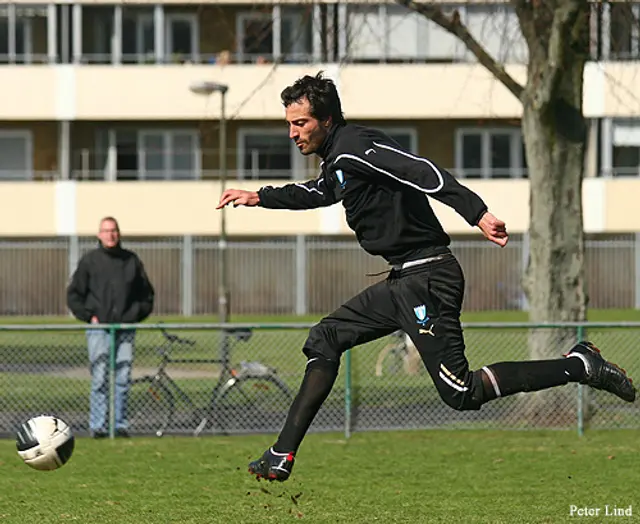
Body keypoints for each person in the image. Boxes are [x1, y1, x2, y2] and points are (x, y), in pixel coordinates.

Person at [216, 72, 636, 482]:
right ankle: (281, 454)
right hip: (403, 279)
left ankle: (579, 366)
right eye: (289, 123)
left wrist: (477, 212)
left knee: (461, 393)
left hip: (429, 278)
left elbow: (421, 170)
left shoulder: (356, 147)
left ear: (326, 120)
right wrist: (260, 197)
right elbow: (321, 191)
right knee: (325, 338)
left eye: (300, 123)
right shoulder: (337, 161)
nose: (292, 133)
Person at [67, 216, 155, 438]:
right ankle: (98, 426)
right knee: (100, 378)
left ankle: (120, 425)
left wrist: (133, 316)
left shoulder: (131, 261)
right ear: (99, 234)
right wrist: (90, 316)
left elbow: (146, 295)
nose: (110, 234)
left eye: (114, 230)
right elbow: (74, 294)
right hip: (99, 330)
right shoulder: (90, 261)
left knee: (123, 378)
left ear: (119, 233)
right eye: (106, 231)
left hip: (125, 329)